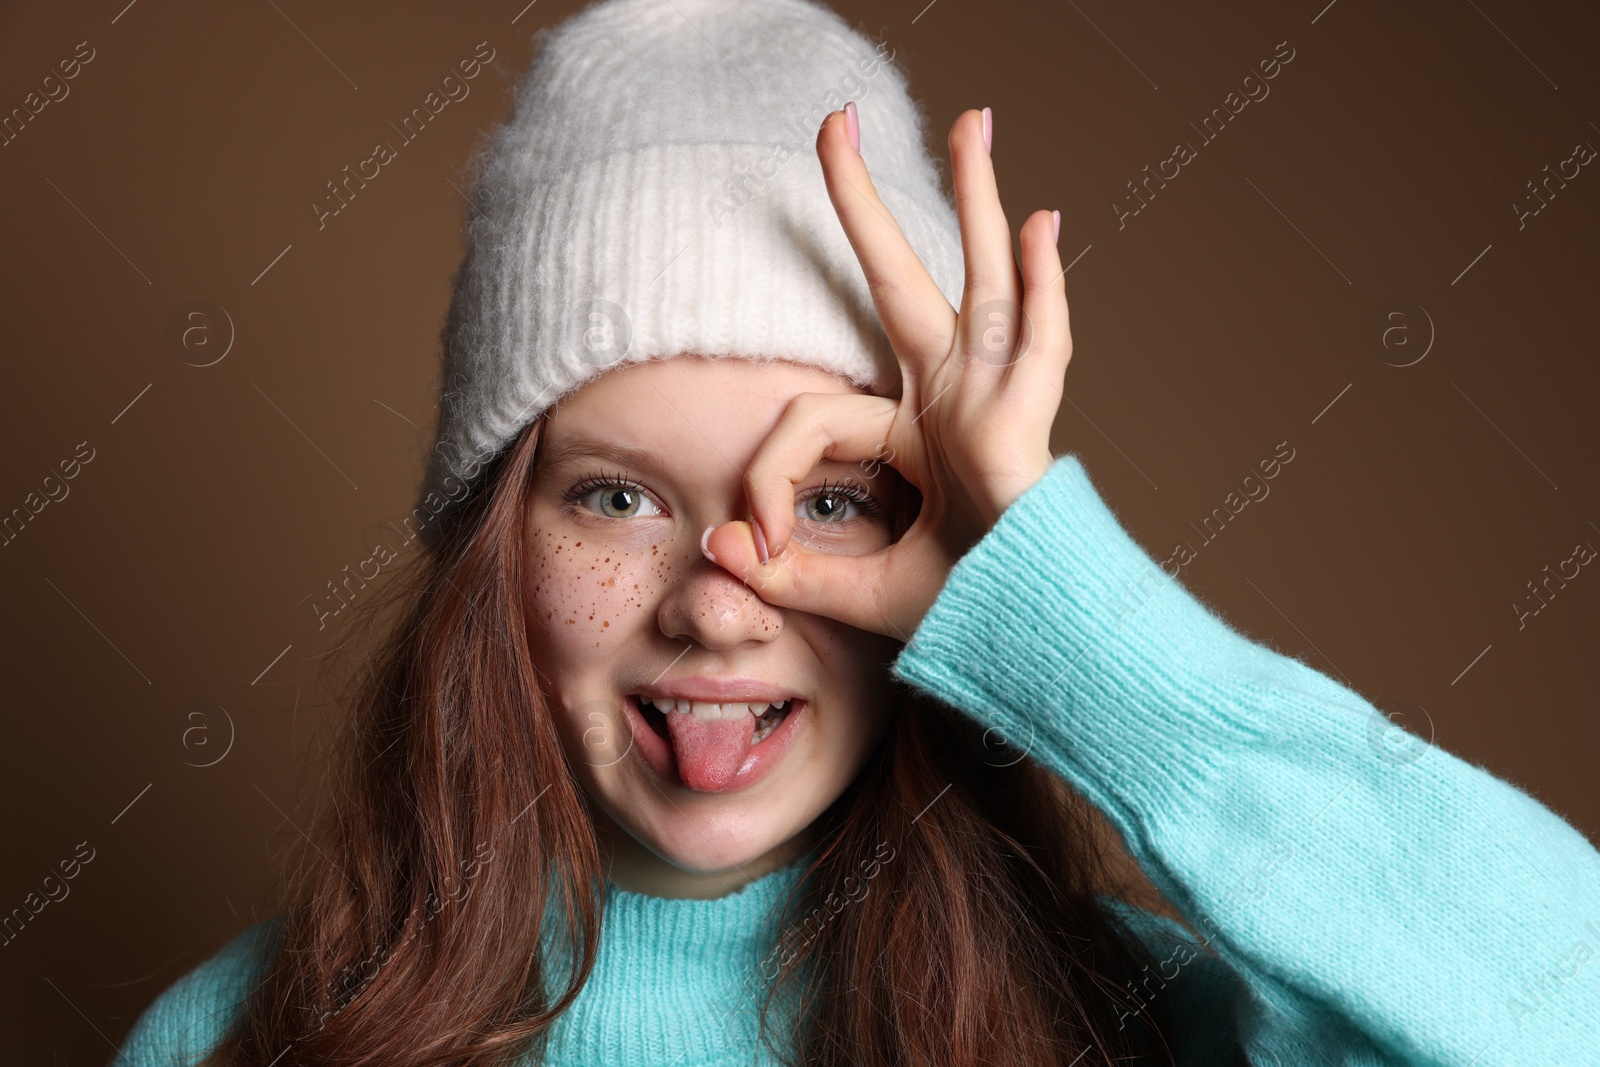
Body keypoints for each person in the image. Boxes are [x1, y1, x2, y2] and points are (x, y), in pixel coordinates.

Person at [113, 0, 1600, 1063]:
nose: (717, 606)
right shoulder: (235, 1043)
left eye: (830, 503)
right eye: (617, 497)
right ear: (492, 554)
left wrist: (1065, 618)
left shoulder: (1138, 1026)